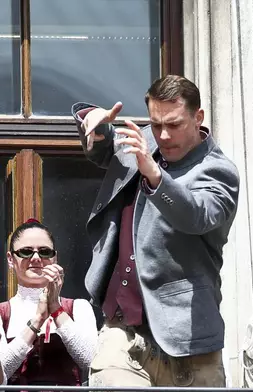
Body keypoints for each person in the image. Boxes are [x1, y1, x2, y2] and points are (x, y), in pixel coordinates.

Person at [72, 75, 239, 387]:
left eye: (174, 124)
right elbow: (108, 151)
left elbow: (196, 216)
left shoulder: (219, 171)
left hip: (188, 342)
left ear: (198, 117)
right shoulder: (146, 139)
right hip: (121, 331)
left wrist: (155, 175)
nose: (163, 135)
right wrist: (95, 126)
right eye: (156, 123)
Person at [0, 219, 98, 386]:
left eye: (45, 252)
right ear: (11, 259)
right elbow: (2, 374)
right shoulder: (3, 313)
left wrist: (56, 309)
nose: (36, 258)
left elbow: (93, 363)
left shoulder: (79, 307)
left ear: (55, 258)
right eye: (26, 252)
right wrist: (37, 320)